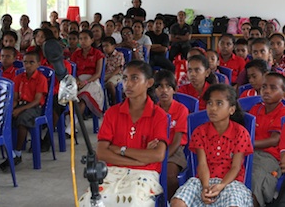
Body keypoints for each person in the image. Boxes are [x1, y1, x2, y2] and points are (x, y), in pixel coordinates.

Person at [79, 61, 168, 207]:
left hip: (145, 175)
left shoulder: (158, 115)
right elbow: (101, 153)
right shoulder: (112, 113)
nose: (128, 84)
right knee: (90, 201)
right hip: (113, 171)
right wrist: (139, 161)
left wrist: (120, 150)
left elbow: (158, 155)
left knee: (133, 201)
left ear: (149, 82)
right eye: (125, 78)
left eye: (134, 78)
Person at [171, 84, 253, 207]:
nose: (213, 108)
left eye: (219, 103)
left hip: (230, 182)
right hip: (203, 180)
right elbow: (202, 164)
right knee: (177, 203)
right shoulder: (200, 132)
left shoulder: (240, 133)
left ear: (231, 109)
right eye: (210, 103)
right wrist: (205, 187)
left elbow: (235, 167)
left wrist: (221, 186)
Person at [248, 72, 285, 207]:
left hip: (270, 157)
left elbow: (275, 140)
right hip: (250, 152)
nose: (267, 91)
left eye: (273, 88)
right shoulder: (256, 109)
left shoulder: (284, 111)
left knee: (255, 178)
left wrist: (248, 144)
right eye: (264, 87)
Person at [0, 51, 48, 171]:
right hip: (20, 105)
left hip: (34, 107)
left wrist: (20, 109)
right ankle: (11, 152)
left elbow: (37, 100)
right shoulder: (18, 77)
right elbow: (15, 98)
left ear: (38, 64)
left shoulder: (41, 78)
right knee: (4, 120)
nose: (28, 65)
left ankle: (18, 152)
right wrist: (10, 109)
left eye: (32, 62)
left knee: (22, 120)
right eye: (25, 62)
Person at [154, 70, 188, 201]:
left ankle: (170, 201)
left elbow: (177, 141)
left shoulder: (181, 110)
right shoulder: (153, 110)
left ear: (175, 89)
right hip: (157, 148)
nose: (164, 90)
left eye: (168, 86)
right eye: (159, 86)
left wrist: (162, 158)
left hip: (176, 150)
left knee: (169, 175)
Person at [70, 30, 105, 117]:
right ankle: (70, 122)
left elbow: (98, 73)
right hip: (78, 80)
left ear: (92, 40)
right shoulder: (76, 54)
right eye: (80, 39)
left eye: (85, 38)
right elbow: (73, 71)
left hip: (92, 81)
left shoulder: (98, 54)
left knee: (84, 97)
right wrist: (77, 80)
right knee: (68, 97)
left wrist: (85, 82)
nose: (83, 41)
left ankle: (72, 125)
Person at [102, 37, 125, 105]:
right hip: (106, 75)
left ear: (113, 46)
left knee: (110, 84)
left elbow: (118, 69)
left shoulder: (119, 55)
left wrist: (108, 77)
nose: (105, 48)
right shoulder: (103, 56)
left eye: (107, 46)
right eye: (103, 46)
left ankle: (114, 102)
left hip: (117, 75)